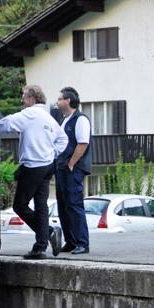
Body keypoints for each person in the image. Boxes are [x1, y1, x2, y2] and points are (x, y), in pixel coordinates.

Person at [0, 85, 68, 259]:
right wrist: (53, 154)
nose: (22, 100)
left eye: (24, 96)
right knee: (41, 206)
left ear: (32, 98)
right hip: (47, 166)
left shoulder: (29, 114)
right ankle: (40, 247)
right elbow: (63, 139)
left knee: (19, 206)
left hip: (33, 166)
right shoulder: (48, 117)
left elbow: (5, 124)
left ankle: (48, 232)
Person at [55, 87, 92, 255]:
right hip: (62, 168)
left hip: (73, 169)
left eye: (60, 99)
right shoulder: (65, 119)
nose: (57, 102)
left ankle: (82, 243)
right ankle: (70, 241)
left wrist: (71, 163)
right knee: (63, 205)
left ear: (68, 101)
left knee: (74, 205)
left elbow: (83, 143)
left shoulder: (80, 119)